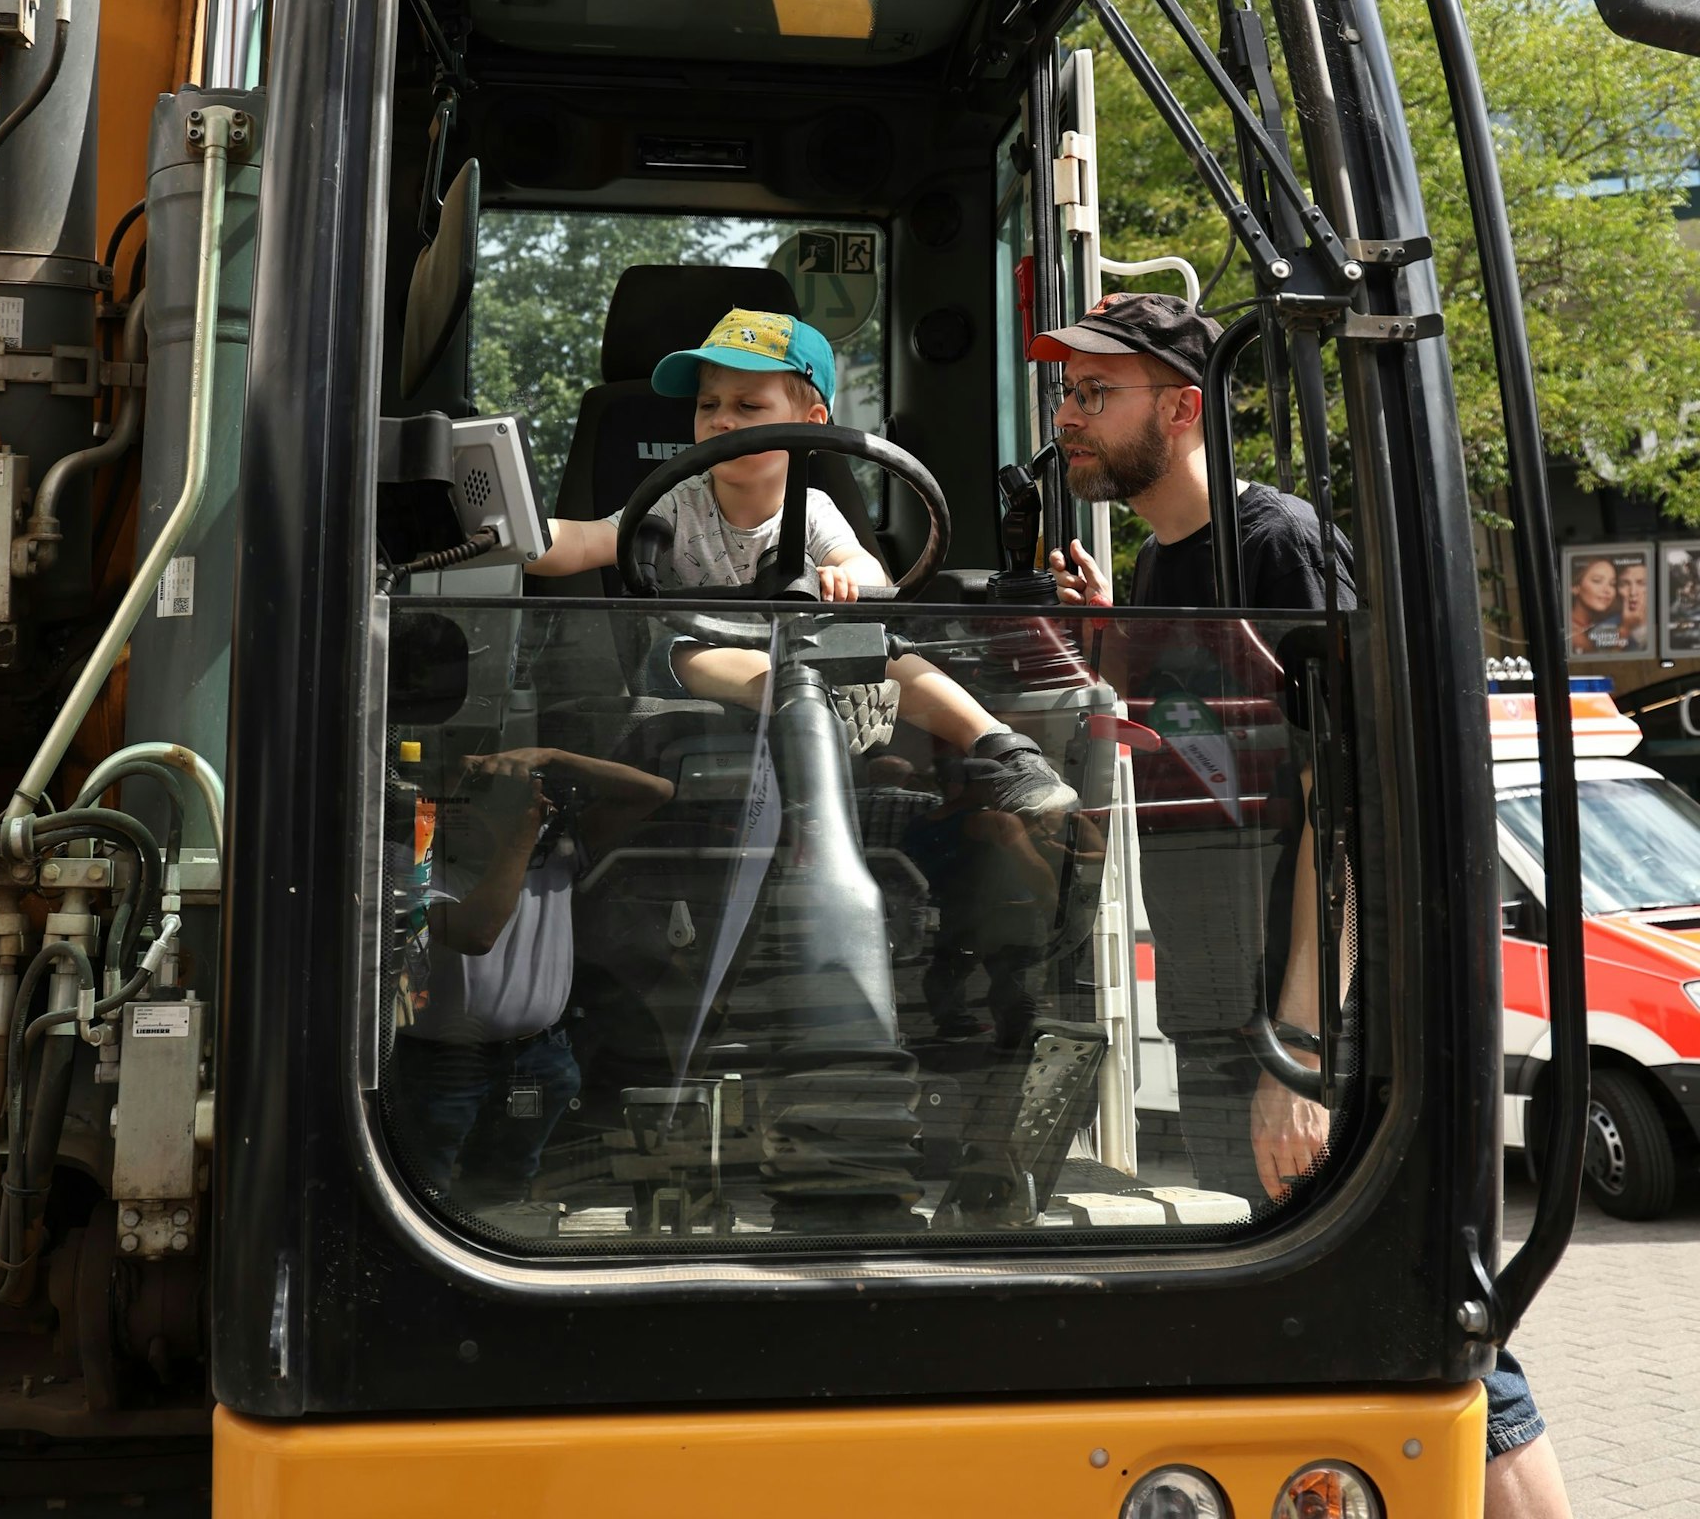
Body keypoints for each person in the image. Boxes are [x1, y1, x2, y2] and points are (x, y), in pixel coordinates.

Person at [1037, 289, 1572, 1519]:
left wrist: (1299, 1046)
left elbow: (1350, 802)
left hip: (1309, 1022)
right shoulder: (1167, 559)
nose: (1066, 415)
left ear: (1181, 407)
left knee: (1431, 1323)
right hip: (1234, 1010)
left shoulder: (1277, 542)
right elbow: (1216, 750)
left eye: (1093, 391)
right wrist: (1106, 648)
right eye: (1064, 391)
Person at [526, 307, 1074, 838]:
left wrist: (847, 579)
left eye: (747, 406)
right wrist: (509, 531)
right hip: (687, 655)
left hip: (801, 648)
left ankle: (1003, 750)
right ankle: (828, 715)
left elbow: (861, 564)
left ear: (810, 424)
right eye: (708, 404)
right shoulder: (673, 503)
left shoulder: (811, 509)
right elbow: (580, 541)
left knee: (890, 653)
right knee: (697, 651)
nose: (722, 420)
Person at [390, 745, 672, 1220]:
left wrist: (553, 757)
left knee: (506, 1197)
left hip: (537, 1055)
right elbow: (478, 932)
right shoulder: (415, 857)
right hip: (441, 1064)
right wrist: (515, 836)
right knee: (421, 1198)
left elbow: (656, 791)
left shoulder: (550, 849)